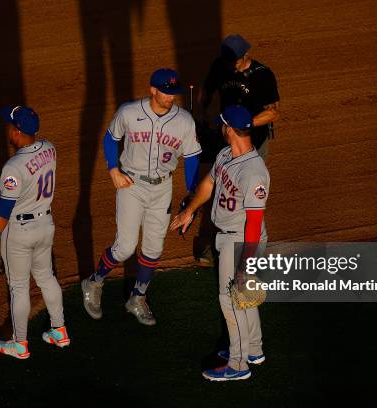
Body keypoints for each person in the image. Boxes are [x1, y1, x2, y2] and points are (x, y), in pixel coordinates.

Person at [81, 68, 202, 326]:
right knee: (124, 247)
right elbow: (110, 139)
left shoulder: (185, 121)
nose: (170, 98)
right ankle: (94, 282)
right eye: (166, 93)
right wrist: (113, 169)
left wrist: (191, 195)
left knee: (154, 249)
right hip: (131, 184)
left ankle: (137, 298)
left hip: (162, 189)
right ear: (153, 90)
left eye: (174, 93)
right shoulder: (129, 112)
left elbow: (192, 157)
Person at [171, 105, 269, 381]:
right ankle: (253, 349)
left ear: (230, 129)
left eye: (222, 125)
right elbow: (208, 184)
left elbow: (253, 222)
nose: (220, 129)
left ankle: (238, 365)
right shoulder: (226, 155)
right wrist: (189, 210)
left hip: (242, 240)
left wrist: (246, 265)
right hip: (230, 236)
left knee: (231, 300)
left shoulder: (254, 172)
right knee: (244, 297)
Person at [0, 105, 69, 359]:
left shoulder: (13, 166)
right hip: (45, 225)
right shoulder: (49, 148)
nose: (7, 129)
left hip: (19, 231)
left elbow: (3, 212)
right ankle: (59, 331)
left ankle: (20, 344)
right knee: (46, 277)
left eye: (10, 126)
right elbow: (26, 171)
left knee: (18, 287)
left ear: (17, 132)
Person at [194, 33, 280, 265]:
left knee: (248, 193)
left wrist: (245, 124)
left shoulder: (262, 76)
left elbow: (273, 112)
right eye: (226, 61)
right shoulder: (221, 66)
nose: (230, 65)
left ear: (246, 55)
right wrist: (203, 115)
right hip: (226, 135)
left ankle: (250, 247)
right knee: (220, 189)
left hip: (254, 142)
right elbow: (207, 91)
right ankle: (211, 245)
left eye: (235, 61)